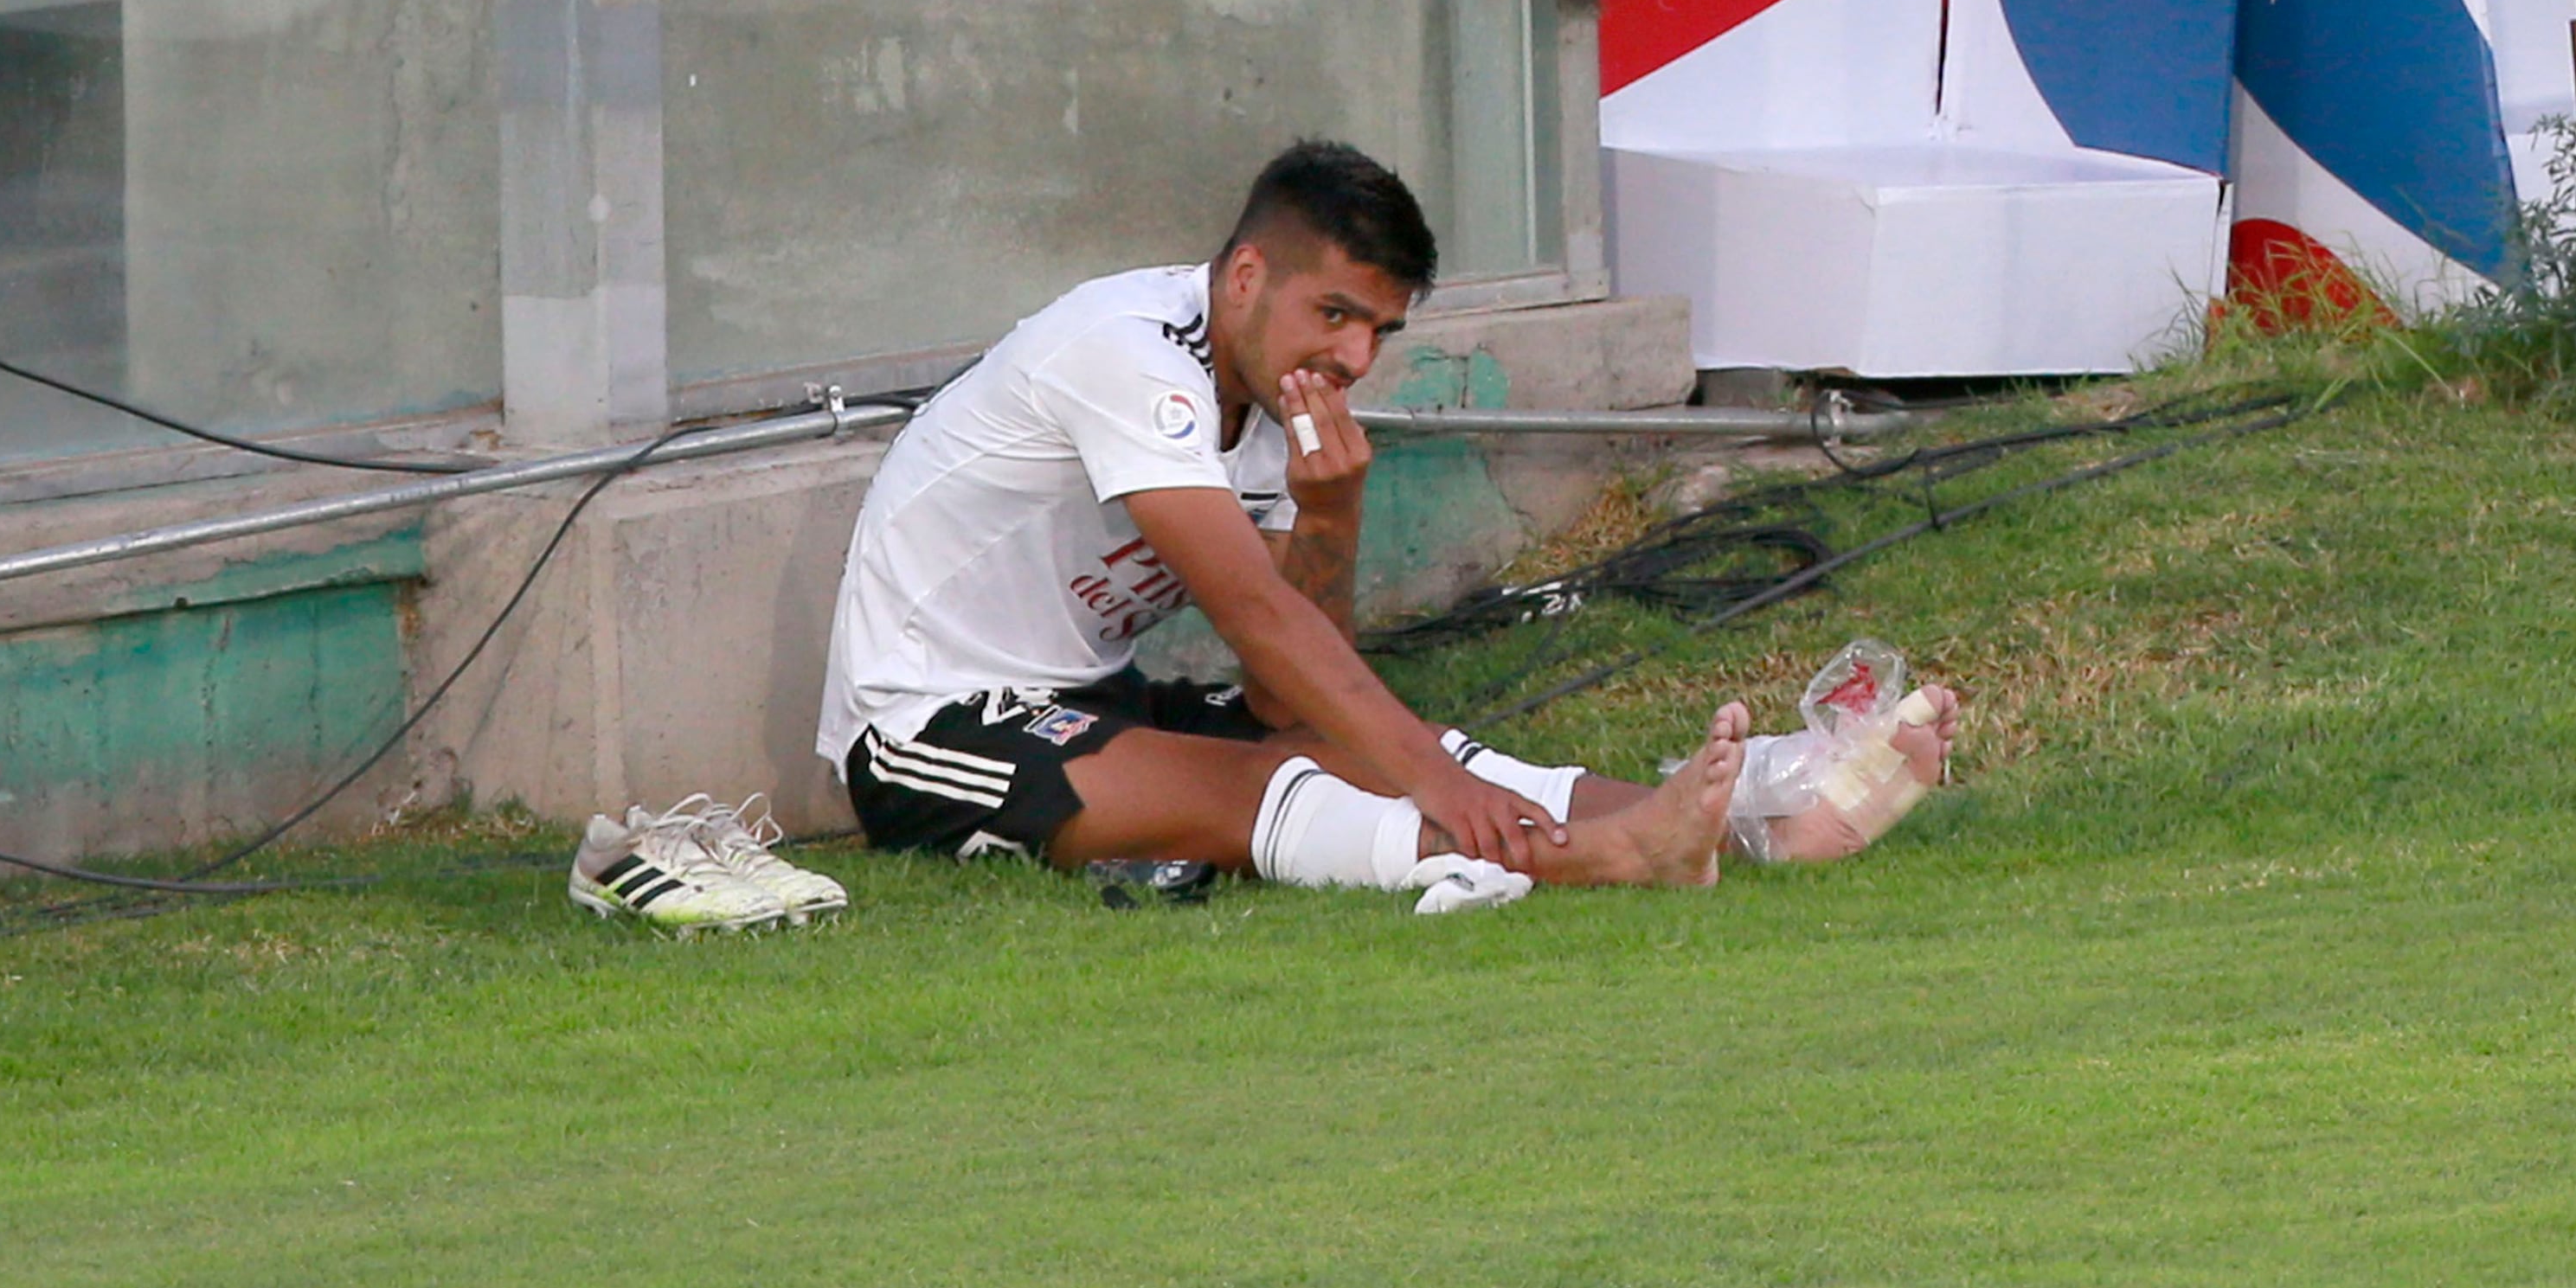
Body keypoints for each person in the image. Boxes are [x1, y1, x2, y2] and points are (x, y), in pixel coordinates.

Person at [810, 139, 1939, 910]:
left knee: (1369, 745)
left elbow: (1281, 684)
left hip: (1083, 699)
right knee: (1268, 790)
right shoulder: (1128, 349)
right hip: (927, 730)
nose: (1353, 356)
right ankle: (1608, 852)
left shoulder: (1269, 391)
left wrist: (1330, 506)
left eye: (1377, 328)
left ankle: (1757, 821)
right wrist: (1432, 787)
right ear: (1246, 274)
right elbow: (1256, 620)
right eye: (1334, 312)